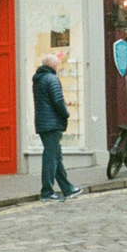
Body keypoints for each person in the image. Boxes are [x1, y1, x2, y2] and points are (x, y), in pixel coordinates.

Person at [32, 53, 82, 202]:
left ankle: (67, 189)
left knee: (56, 157)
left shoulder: (38, 79)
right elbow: (58, 100)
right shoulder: (52, 79)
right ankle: (47, 191)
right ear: (54, 65)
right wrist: (66, 113)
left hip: (43, 123)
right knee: (50, 158)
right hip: (52, 123)